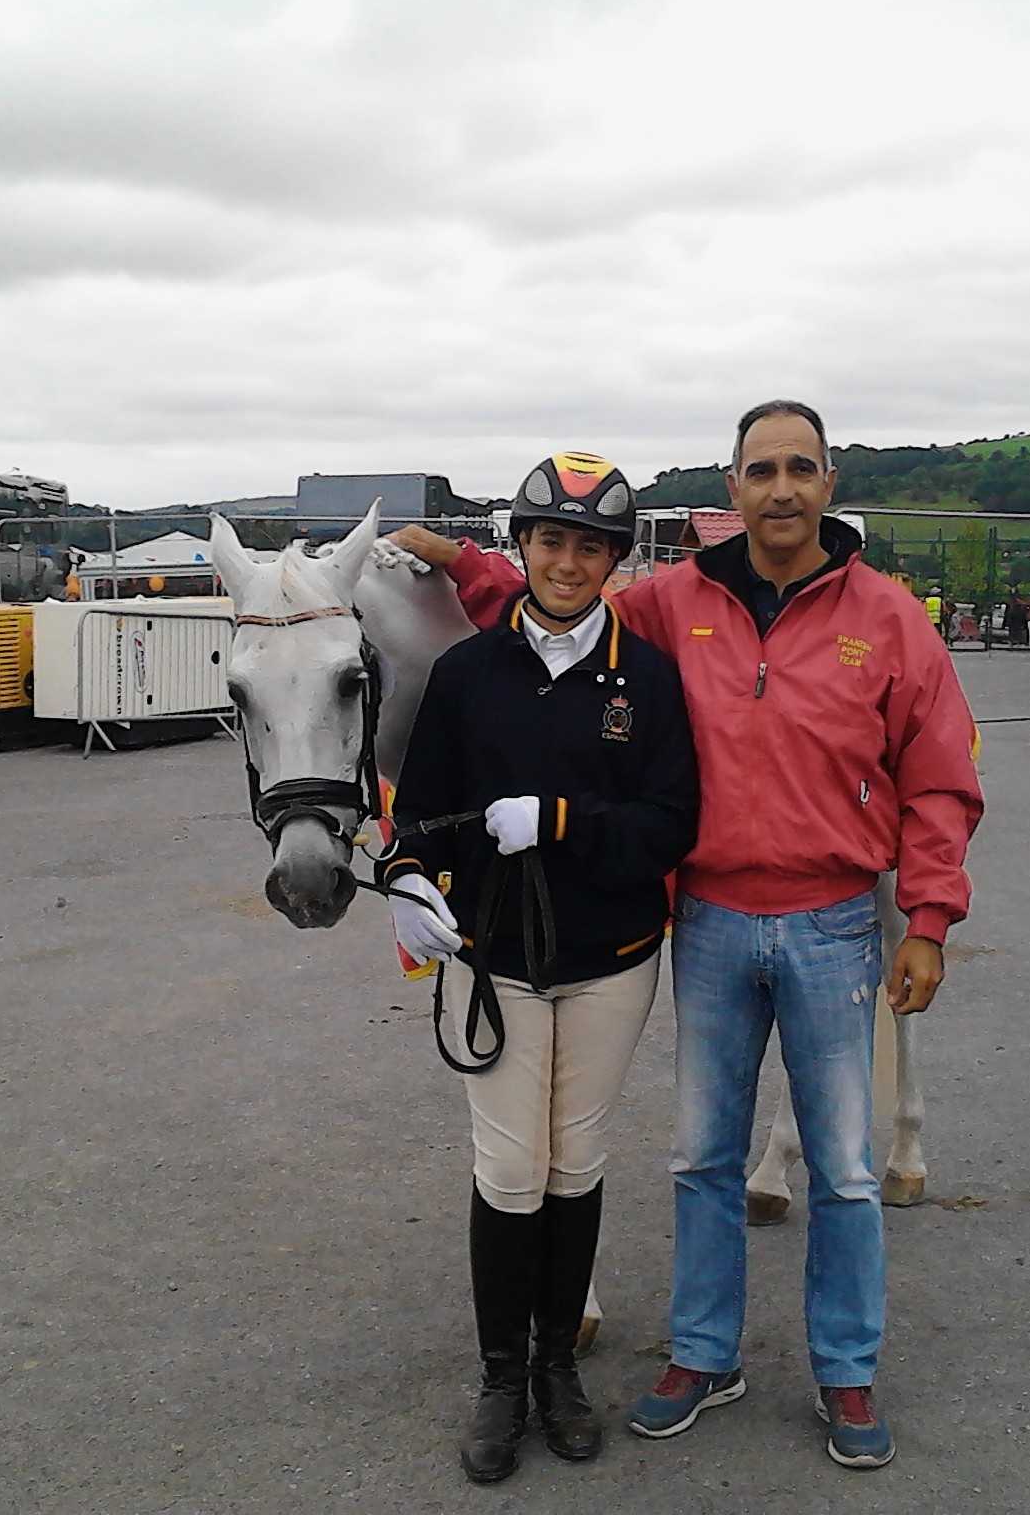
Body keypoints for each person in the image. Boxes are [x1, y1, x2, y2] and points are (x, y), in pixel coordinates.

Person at [391, 401, 983, 1471]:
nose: (782, 488)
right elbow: (556, 597)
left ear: (828, 483)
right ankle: (704, 1354)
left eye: (800, 468)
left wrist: (928, 917)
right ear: (733, 487)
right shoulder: (675, 603)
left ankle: (845, 1372)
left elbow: (938, 775)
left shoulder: (890, 619)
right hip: (708, 918)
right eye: (762, 470)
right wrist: (447, 554)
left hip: (832, 920)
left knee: (844, 1170)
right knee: (703, 1157)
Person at [381, 452, 700, 1486]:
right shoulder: (467, 672)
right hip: (496, 959)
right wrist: (408, 876)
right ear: (520, 547)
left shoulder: (645, 677)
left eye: (591, 546)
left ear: (614, 557)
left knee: (575, 1163)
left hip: (608, 960)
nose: (568, 561)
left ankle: (558, 1368)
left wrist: (558, 820)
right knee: (510, 1170)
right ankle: (497, 1374)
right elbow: (419, 807)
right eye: (551, 540)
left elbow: (668, 823)